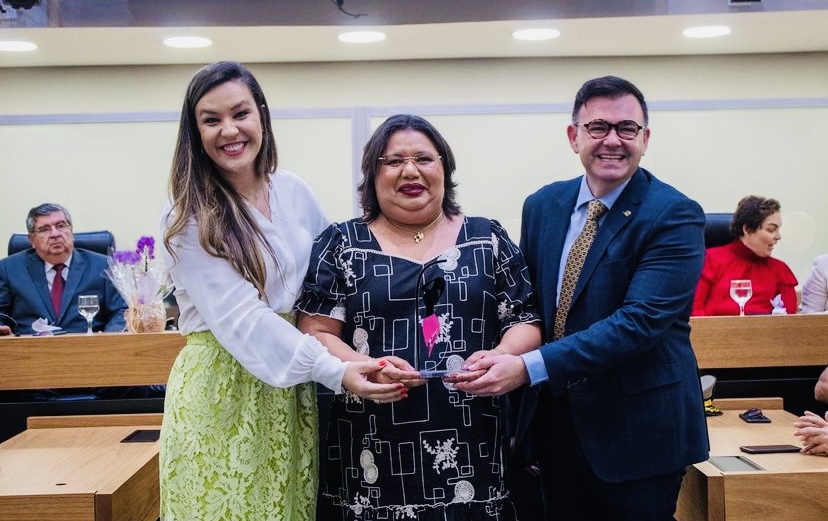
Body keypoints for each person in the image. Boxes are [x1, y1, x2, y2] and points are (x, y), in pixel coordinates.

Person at [450, 76, 708, 520]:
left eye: (627, 129)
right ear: (574, 137)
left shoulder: (674, 214)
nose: (613, 140)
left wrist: (526, 368)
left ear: (645, 139)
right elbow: (527, 308)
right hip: (553, 429)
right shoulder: (543, 205)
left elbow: (639, 323)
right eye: (598, 127)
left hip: (639, 433)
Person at [158, 61, 403, 521]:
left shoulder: (292, 191)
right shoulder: (189, 215)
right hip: (222, 388)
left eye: (240, 113)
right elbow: (244, 321)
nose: (229, 130)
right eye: (211, 120)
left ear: (262, 116)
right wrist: (337, 371)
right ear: (195, 132)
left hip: (289, 395)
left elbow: (342, 269)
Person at [296, 114, 542, 520]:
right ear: (372, 175)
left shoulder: (488, 238)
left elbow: (525, 321)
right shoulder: (341, 243)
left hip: (472, 445)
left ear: (444, 168)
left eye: (424, 158)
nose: (409, 170)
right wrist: (366, 366)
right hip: (370, 447)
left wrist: (502, 356)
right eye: (392, 161)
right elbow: (315, 330)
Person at [0, 203, 127, 336]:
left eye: (61, 226)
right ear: (32, 239)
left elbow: (121, 311)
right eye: (44, 229)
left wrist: (110, 337)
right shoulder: (8, 269)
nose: (55, 234)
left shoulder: (103, 265)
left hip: (88, 350)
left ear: (71, 230)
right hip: (29, 352)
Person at [692, 196, 798, 316]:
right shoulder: (710, 260)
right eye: (771, 229)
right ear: (747, 229)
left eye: (778, 229)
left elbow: (789, 322)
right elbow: (695, 311)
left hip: (765, 334)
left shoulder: (780, 270)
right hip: (714, 333)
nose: (778, 236)